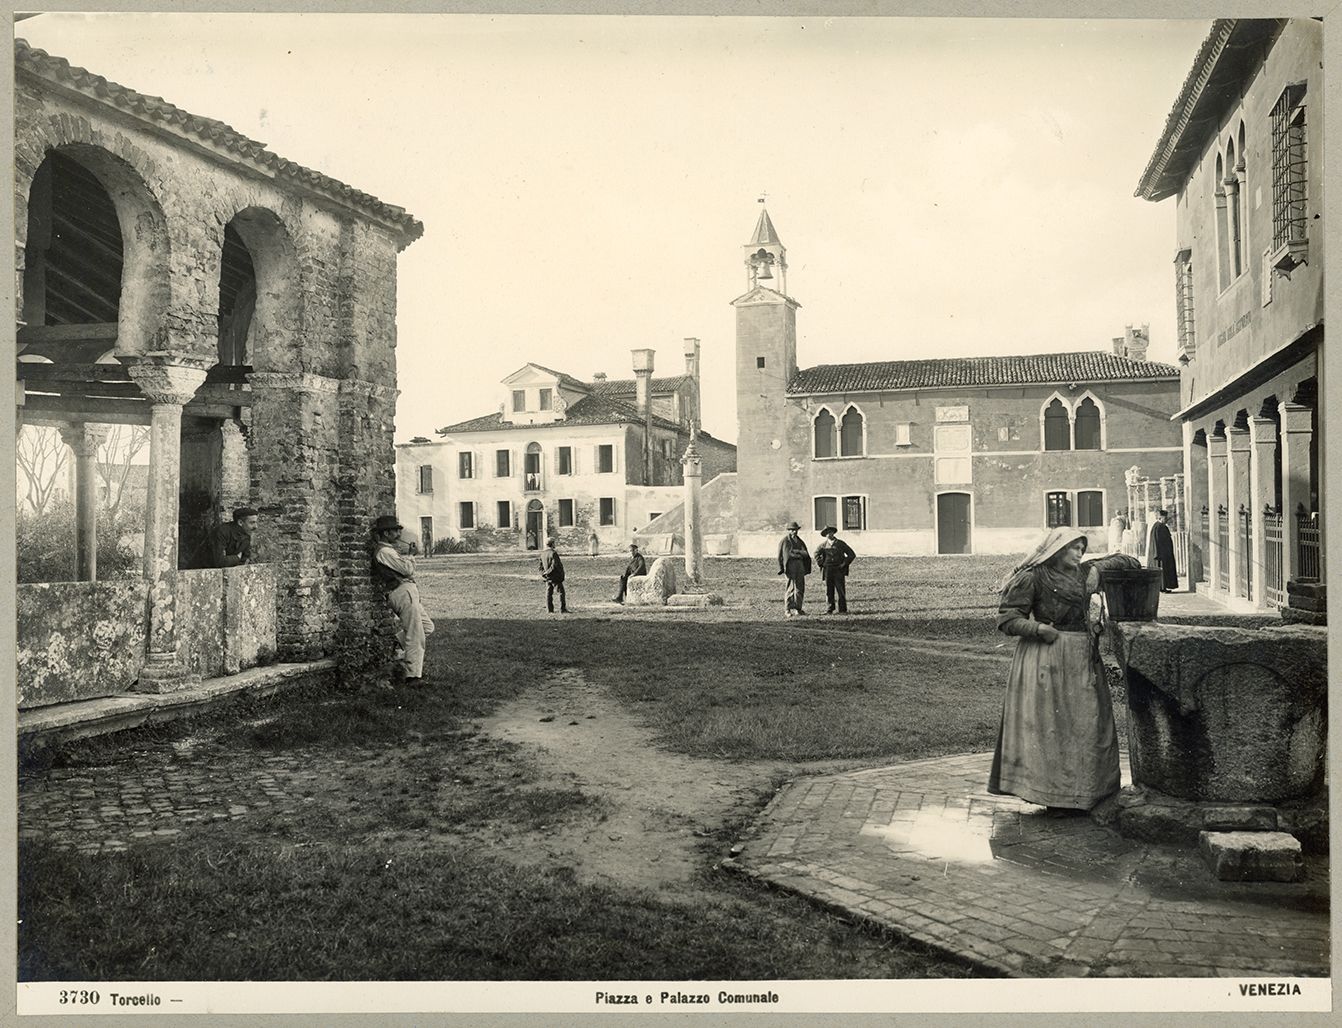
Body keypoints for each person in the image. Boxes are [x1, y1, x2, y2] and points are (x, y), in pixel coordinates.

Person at [987, 527, 1140, 814]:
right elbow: (1007, 619)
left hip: (1082, 655)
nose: (1079, 552)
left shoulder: (1084, 573)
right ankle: (1055, 795)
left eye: (1082, 547)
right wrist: (1038, 628)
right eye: (1073, 547)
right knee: (1052, 727)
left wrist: (1099, 568)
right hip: (1047, 656)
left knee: (1088, 722)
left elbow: (1128, 562)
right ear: (1056, 550)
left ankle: (1087, 792)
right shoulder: (1032, 577)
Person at [369, 515, 435, 681]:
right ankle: (413, 676)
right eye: (394, 531)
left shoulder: (389, 550)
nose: (397, 534)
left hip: (407, 591)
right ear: (385, 534)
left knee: (427, 627)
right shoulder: (384, 551)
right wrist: (411, 556)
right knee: (415, 634)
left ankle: (396, 643)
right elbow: (407, 570)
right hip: (402, 591)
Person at [814, 525, 856, 614]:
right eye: (827, 533)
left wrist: (844, 564)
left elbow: (851, 554)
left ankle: (842, 609)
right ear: (825, 535)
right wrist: (822, 563)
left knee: (840, 589)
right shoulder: (823, 545)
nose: (829, 534)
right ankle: (829, 609)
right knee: (829, 590)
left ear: (833, 533)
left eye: (830, 532)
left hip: (838, 570)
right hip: (828, 570)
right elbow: (816, 554)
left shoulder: (840, 544)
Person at [776, 520, 812, 617]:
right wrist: (781, 568)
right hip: (790, 566)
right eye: (792, 530)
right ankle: (787, 609)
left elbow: (805, 554)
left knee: (800, 588)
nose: (794, 532)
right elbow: (782, 555)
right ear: (789, 531)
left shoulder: (800, 541)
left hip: (800, 566)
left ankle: (798, 609)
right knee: (790, 588)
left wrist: (797, 552)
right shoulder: (785, 541)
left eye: (795, 530)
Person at [1147, 508, 1179, 593]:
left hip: (1164, 553)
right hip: (1161, 554)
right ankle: (1162, 587)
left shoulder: (1160, 526)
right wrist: (1158, 554)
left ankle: (1162, 587)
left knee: (1164, 571)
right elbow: (1156, 542)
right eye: (1165, 518)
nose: (1166, 520)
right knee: (1162, 570)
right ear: (1160, 518)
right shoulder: (1158, 527)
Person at [540, 536, 568, 613]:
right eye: (554, 543)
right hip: (555, 576)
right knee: (561, 592)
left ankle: (549, 609)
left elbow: (541, 566)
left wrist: (544, 573)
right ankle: (562, 608)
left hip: (547, 577)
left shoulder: (543, 553)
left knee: (548, 593)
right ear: (552, 544)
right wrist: (548, 572)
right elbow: (555, 565)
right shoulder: (553, 553)